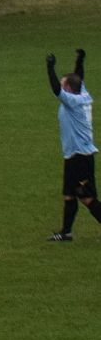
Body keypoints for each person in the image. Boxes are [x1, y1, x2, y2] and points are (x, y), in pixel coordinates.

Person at [46, 48, 95, 241]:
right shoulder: (82, 93)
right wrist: (79, 61)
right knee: (69, 195)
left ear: (67, 89)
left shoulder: (72, 102)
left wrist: (50, 68)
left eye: (63, 83)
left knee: (86, 198)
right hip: (73, 156)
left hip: (80, 157)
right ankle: (66, 232)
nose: (61, 85)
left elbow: (56, 90)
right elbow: (78, 79)